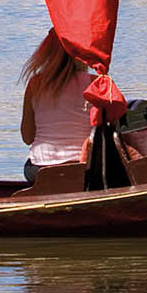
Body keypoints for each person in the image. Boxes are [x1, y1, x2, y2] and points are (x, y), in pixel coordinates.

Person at [19, 34, 97, 185]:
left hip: (40, 169)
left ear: (47, 52)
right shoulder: (94, 84)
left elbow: (27, 137)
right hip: (81, 167)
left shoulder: (35, 84)